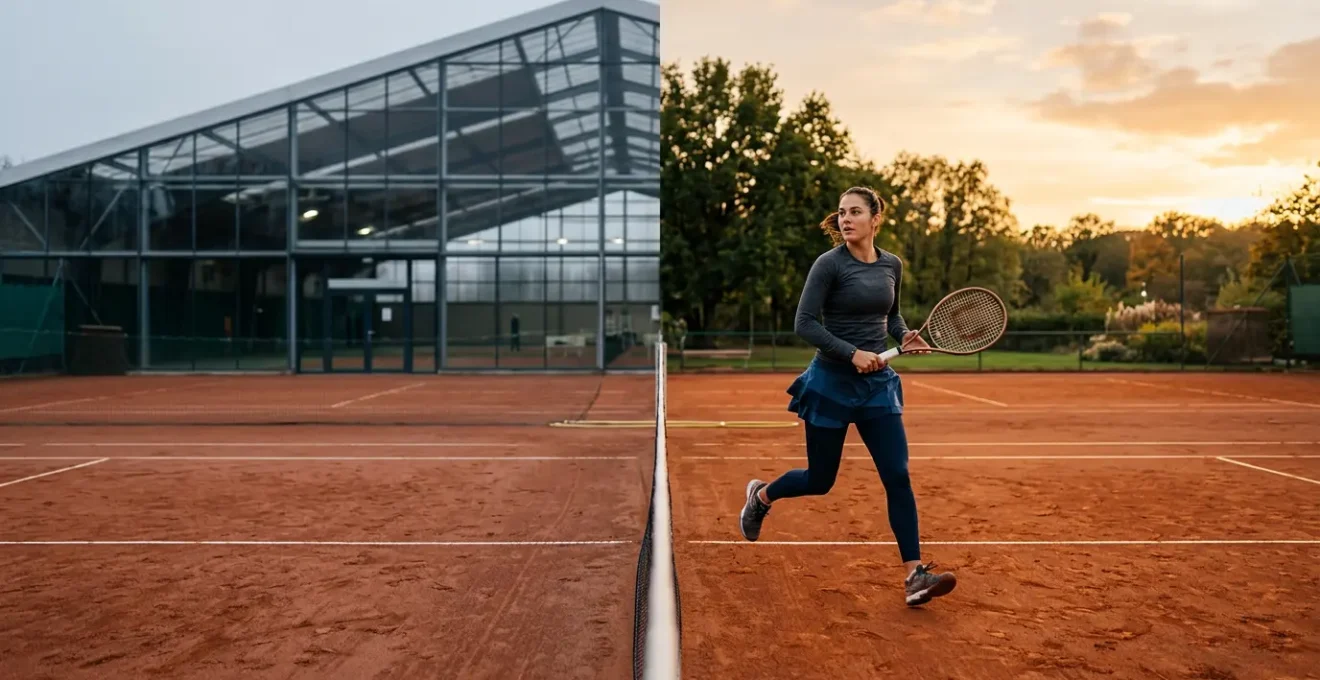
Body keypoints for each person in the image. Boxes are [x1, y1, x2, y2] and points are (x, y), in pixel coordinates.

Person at [738, 185, 957, 607]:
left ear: (876, 218)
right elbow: (805, 323)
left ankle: (914, 575)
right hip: (831, 385)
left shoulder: (892, 264)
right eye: (841, 213)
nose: (845, 219)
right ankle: (761, 496)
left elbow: (890, 316)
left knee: (897, 475)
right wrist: (851, 353)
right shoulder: (828, 265)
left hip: (878, 388)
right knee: (821, 480)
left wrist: (903, 334)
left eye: (855, 212)